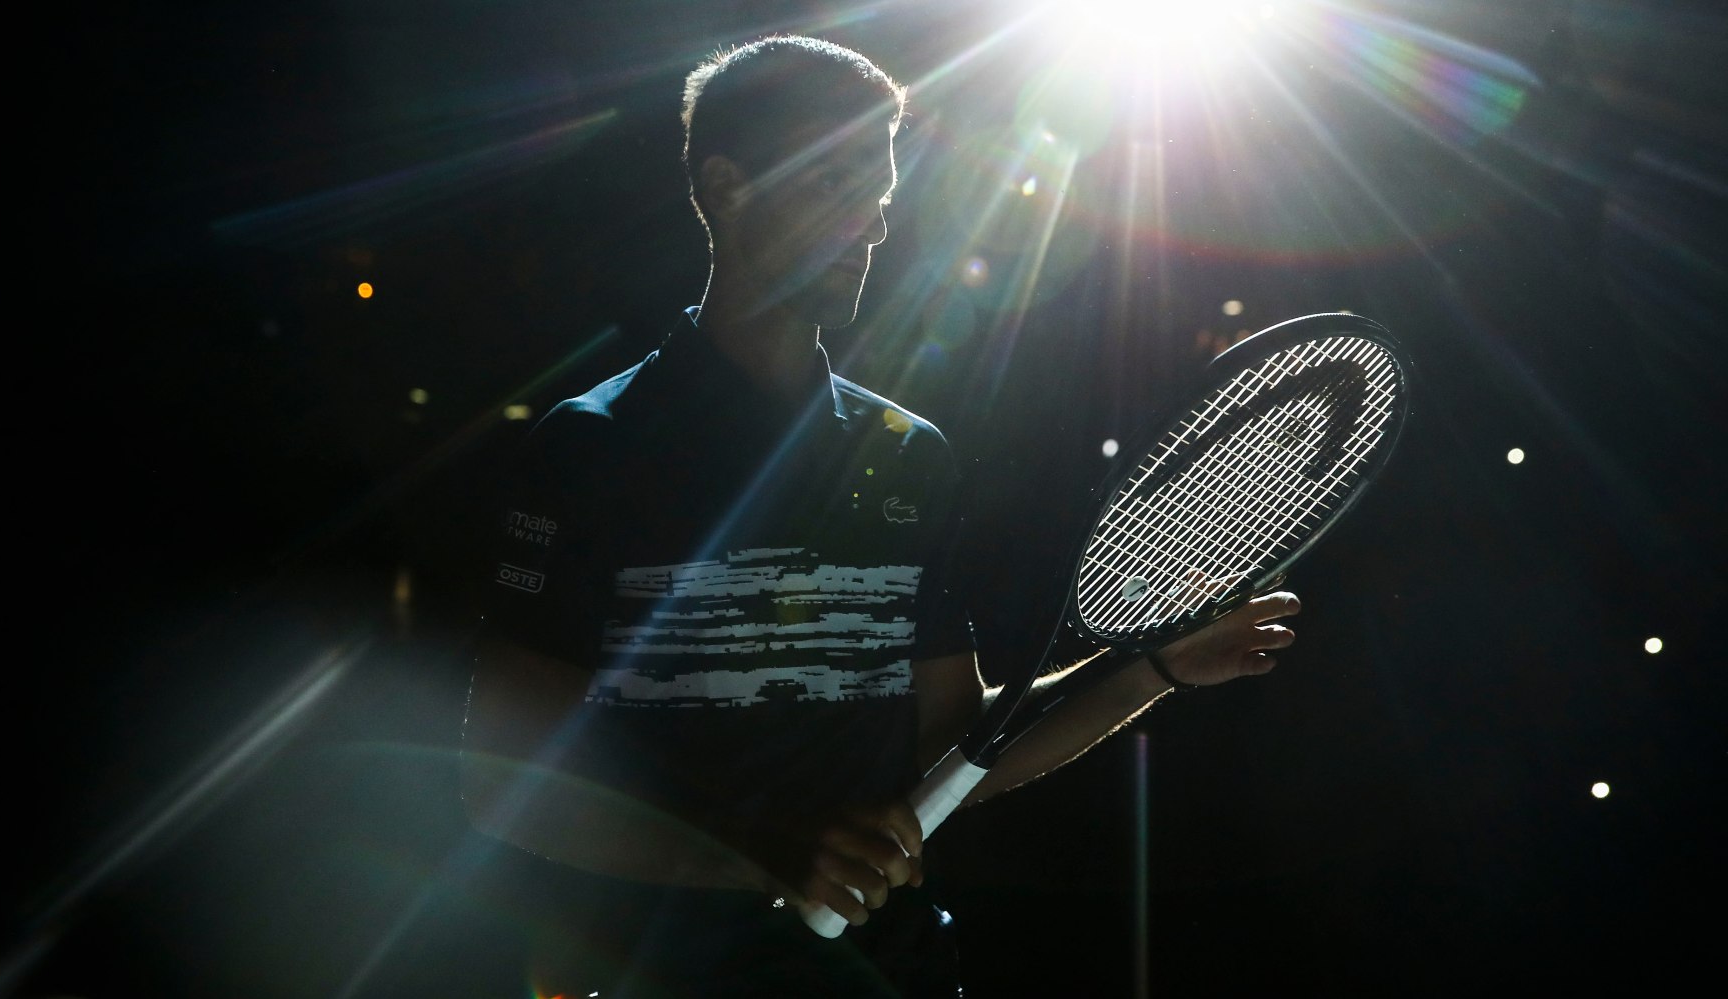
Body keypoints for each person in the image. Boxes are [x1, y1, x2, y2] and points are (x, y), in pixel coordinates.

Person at [459, 35, 1302, 997]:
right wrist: (763, 851)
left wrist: (1151, 668)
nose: (870, 225)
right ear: (727, 185)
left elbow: (953, 750)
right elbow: (508, 783)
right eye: (833, 186)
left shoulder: (908, 451)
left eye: (883, 198)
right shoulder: (590, 448)